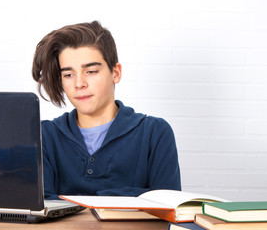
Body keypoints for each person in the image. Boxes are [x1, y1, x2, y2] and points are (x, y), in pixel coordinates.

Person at [31, 21, 181, 200]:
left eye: (91, 71)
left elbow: (168, 208)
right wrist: (137, 196)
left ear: (115, 73)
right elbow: (40, 208)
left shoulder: (154, 133)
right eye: (68, 75)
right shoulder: (44, 136)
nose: (79, 84)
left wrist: (69, 200)